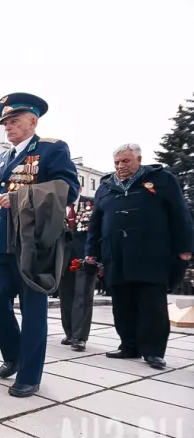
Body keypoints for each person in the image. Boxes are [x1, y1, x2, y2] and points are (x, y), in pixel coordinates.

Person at [0, 93, 79, 397]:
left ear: (32, 121)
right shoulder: (1, 159)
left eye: (14, 121)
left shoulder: (51, 149)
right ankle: (15, 354)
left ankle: (30, 374)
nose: (7, 127)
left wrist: (22, 198)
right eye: (5, 122)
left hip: (34, 245)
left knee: (33, 311)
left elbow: (68, 190)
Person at [86, 143, 194, 370]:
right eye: (116, 162)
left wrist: (185, 247)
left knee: (151, 304)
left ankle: (153, 351)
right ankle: (129, 345)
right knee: (122, 303)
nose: (120, 166)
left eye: (125, 161)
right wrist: (90, 253)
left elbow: (179, 213)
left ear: (139, 159)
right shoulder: (105, 187)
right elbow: (95, 224)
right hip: (115, 254)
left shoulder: (162, 179)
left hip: (151, 253)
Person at [59, 185, 96, 351]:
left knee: (83, 295)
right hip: (63, 257)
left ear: (79, 188)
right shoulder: (58, 205)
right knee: (66, 295)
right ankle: (69, 332)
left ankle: (80, 337)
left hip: (85, 256)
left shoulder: (91, 203)